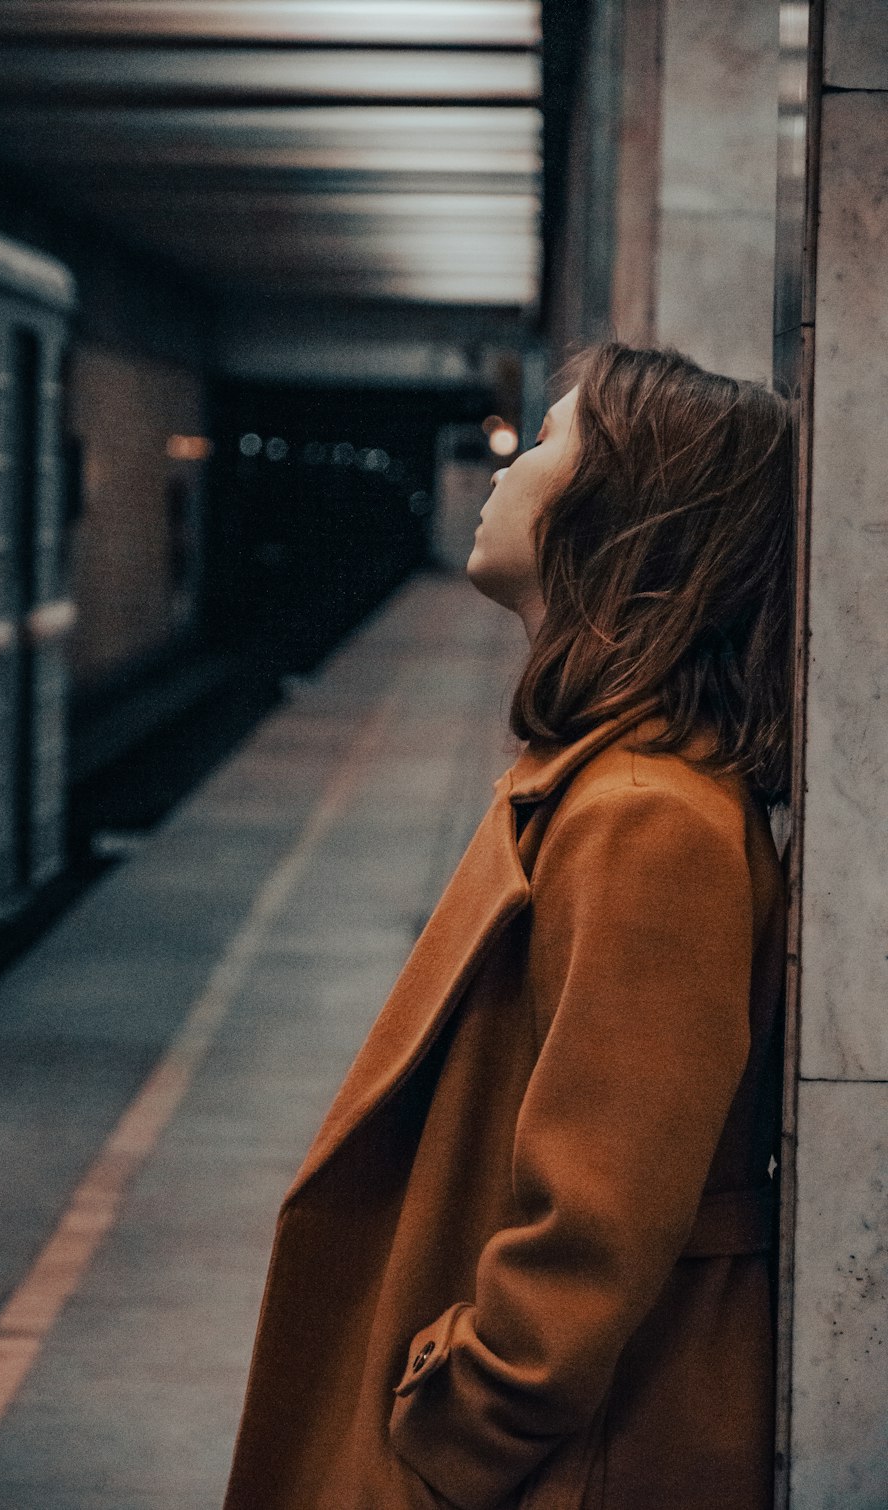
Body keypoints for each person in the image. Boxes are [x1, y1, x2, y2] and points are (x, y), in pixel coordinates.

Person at [222, 341, 793, 1510]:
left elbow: (601, 1216)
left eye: (543, 439)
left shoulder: (643, 817)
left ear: (624, 510)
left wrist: (457, 1426)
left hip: (576, 1452)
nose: (503, 469)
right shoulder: (601, 782)